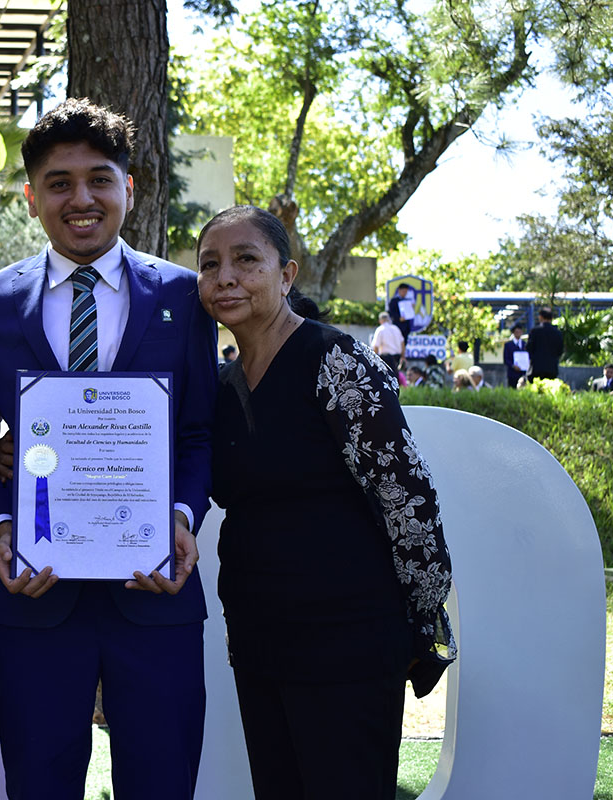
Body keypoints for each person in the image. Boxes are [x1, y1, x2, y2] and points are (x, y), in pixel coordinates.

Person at [0, 98, 217, 800]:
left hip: (156, 587)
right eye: (59, 182)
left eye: (100, 179)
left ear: (128, 189)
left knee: (162, 782)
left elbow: (197, 433)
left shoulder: (185, 297)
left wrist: (183, 519)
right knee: (39, 783)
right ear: (31, 196)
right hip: (35, 592)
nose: (82, 199)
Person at [195, 205, 454, 800]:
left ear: (286, 275)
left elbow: (407, 499)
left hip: (349, 641)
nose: (226, 277)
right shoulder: (218, 384)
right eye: (210, 265)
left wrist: (423, 618)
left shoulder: (336, 361)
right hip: (259, 637)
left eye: (246, 260)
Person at [527, 308, 565, 382]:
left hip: (537, 368)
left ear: (541, 317)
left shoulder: (535, 331)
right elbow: (560, 350)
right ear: (551, 318)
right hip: (552, 368)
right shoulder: (557, 333)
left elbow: (529, 348)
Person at [387, 282, 415, 352]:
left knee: (403, 344)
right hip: (397, 326)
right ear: (399, 290)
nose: (404, 293)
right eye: (403, 291)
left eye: (406, 291)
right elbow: (391, 312)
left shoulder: (408, 301)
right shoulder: (394, 301)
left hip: (405, 328)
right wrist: (398, 318)